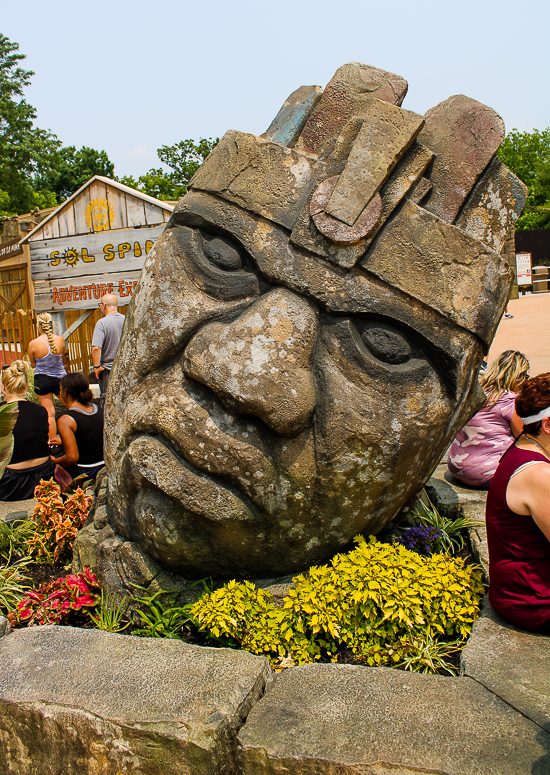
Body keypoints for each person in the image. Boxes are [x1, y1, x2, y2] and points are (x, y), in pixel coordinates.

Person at [486, 373, 550, 633]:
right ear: (547, 424)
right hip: (533, 601)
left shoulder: (521, 447)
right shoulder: (538, 474)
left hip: (518, 591)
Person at [447, 350, 530, 487]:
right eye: (526, 376)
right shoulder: (509, 402)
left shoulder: (477, 392)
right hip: (484, 474)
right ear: (518, 377)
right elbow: (523, 438)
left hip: (457, 466)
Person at [0, 360, 55, 501]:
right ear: (26, 385)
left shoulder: (2, 414)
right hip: (45, 474)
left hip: (10, 484)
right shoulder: (41, 410)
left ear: (3, 387)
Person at [53, 372, 104, 480]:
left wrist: (53, 462)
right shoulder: (98, 409)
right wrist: (64, 441)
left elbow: (72, 458)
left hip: (85, 472)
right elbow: (91, 435)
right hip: (104, 466)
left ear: (65, 392)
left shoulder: (66, 420)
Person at [28, 312, 69, 444]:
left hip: (42, 380)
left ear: (38, 326)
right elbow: (62, 358)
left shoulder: (33, 344)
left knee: (49, 413)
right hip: (60, 379)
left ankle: (52, 441)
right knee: (71, 405)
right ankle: (77, 430)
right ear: (51, 324)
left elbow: (33, 364)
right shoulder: (60, 340)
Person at [91, 294, 124, 406]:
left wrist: (97, 367)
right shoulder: (126, 320)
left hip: (108, 370)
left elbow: (96, 348)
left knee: (108, 402)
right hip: (125, 367)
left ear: (104, 306)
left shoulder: (102, 323)